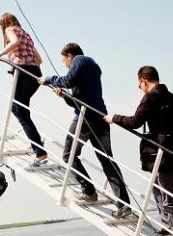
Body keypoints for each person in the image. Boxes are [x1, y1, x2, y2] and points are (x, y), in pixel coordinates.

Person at [105, 66, 173, 236]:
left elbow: (134, 122)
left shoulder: (150, 98)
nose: (140, 88)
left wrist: (113, 118)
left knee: (170, 202)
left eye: (139, 84)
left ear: (144, 81)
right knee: (157, 187)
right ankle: (167, 229)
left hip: (169, 157)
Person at [38, 43, 131, 218]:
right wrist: (64, 96)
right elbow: (78, 98)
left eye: (64, 60)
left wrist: (48, 79)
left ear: (69, 55)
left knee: (68, 155)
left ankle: (88, 190)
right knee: (107, 161)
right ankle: (124, 205)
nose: (66, 65)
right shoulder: (91, 68)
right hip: (100, 118)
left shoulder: (80, 60)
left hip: (86, 119)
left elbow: (67, 81)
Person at [0, 13, 48, 166]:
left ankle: (40, 151)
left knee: (18, 110)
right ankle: (35, 139)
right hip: (35, 74)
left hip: (23, 74)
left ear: (4, 23)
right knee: (20, 109)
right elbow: (39, 59)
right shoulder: (26, 34)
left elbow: (14, 42)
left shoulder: (10, 30)